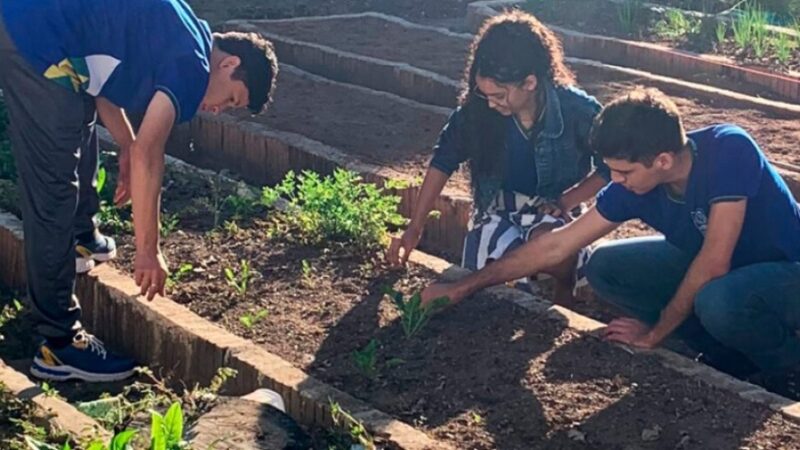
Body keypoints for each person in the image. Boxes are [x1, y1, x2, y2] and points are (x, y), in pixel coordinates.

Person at [421, 87, 800, 393]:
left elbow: (715, 260)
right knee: (607, 267)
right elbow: (558, 244)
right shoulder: (633, 185)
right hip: (722, 270)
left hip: (786, 271)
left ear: (663, 161)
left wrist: (655, 332)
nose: (614, 180)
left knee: (718, 299)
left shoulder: (729, 149)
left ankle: (789, 369)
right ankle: (727, 357)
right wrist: (463, 287)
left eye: (623, 171)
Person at [0, 0, 278, 382]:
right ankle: (60, 345)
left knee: (77, 112)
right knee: (52, 191)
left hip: (39, 24)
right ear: (228, 64)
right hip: (33, 35)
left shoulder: (184, 32)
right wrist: (148, 252)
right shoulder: (192, 68)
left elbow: (100, 79)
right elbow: (152, 152)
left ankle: (83, 237)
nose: (218, 110)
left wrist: (126, 144)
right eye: (231, 99)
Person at [387, 10, 609, 305]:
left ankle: (564, 288)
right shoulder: (477, 112)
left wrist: (566, 201)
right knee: (490, 279)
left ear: (529, 83)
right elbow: (443, 161)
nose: (491, 103)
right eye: (485, 94)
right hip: (497, 206)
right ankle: (523, 297)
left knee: (554, 247)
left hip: (553, 208)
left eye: (500, 96)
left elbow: (610, 167)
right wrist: (415, 226)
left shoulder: (578, 110)